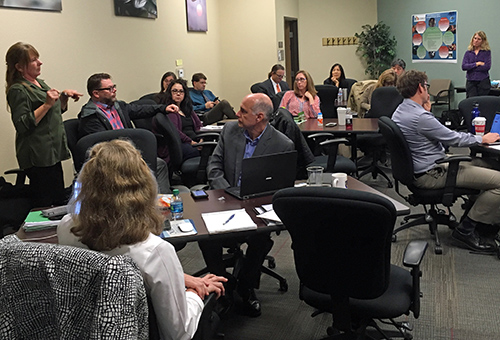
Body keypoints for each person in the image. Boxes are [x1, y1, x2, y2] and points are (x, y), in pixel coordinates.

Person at [57, 139, 227, 340]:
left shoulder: (67, 227)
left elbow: (106, 272)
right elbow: (179, 333)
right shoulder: (154, 251)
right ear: (144, 189)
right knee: (212, 318)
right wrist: (194, 294)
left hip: (86, 327)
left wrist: (180, 278)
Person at [201, 93, 294, 317]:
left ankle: (246, 286)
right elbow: (214, 167)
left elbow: (280, 187)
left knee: (261, 238)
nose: (237, 114)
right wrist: (227, 193)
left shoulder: (282, 144)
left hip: (258, 207)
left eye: (243, 111)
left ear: (259, 116)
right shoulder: (230, 131)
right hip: (226, 200)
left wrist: (252, 204)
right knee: (205, 235)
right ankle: (223, 283)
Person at [392, 70, 500, 253]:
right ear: (420, 87)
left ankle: (481, 223)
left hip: (424, 168)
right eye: (427, 86)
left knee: (490, 166)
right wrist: (483, 139)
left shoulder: (401, 110)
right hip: (432, 173)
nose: (428, 91)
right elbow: (453, 139)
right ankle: (466, 230)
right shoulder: (420, 117)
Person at [5, 42, 83, 207]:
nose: (39, 63)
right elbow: (22, 124)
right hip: (38, 156)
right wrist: (47, 104)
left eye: (38, 58)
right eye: (33, 60)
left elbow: (50, 116)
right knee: (45, 204)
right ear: (19, 67)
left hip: (52, 152)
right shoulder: (18, 90)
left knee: (58, 199)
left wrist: (62, 99)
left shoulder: (39, 83)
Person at [78, 72, 176, 193]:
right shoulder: (90, 116)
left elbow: (139, 110)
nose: (114, 90)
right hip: (113, 159)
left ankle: (161, 201)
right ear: (96, 93)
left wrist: (163, 108)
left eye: (114, 87)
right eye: (109, 89)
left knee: (159, 162)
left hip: (129, 152)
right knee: (159, 164)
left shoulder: (118, 106)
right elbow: (102, 146)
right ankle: (157, 203)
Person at [156, 79, 203, 161]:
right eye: (175, 91)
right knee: (200, 151)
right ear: (169, 93)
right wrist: (191, 142)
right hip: (180, 144)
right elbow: (175, 131)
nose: (178, 94)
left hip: (195, 141)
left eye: (181, 91)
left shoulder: (187, 109)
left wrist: (202, 139)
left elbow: (199, 125)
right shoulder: (170, 110)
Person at [462, 31, 491, 98]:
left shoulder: (486, 52)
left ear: (483, 41)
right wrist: (476, 64)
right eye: (475, 38)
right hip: (471, 82)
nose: (476, 41)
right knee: (471, 102)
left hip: (483, 82)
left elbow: (487, 66)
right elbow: (464, 66)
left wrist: (471, 67)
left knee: (482, 103)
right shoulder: (468, 53)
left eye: (479, 39)